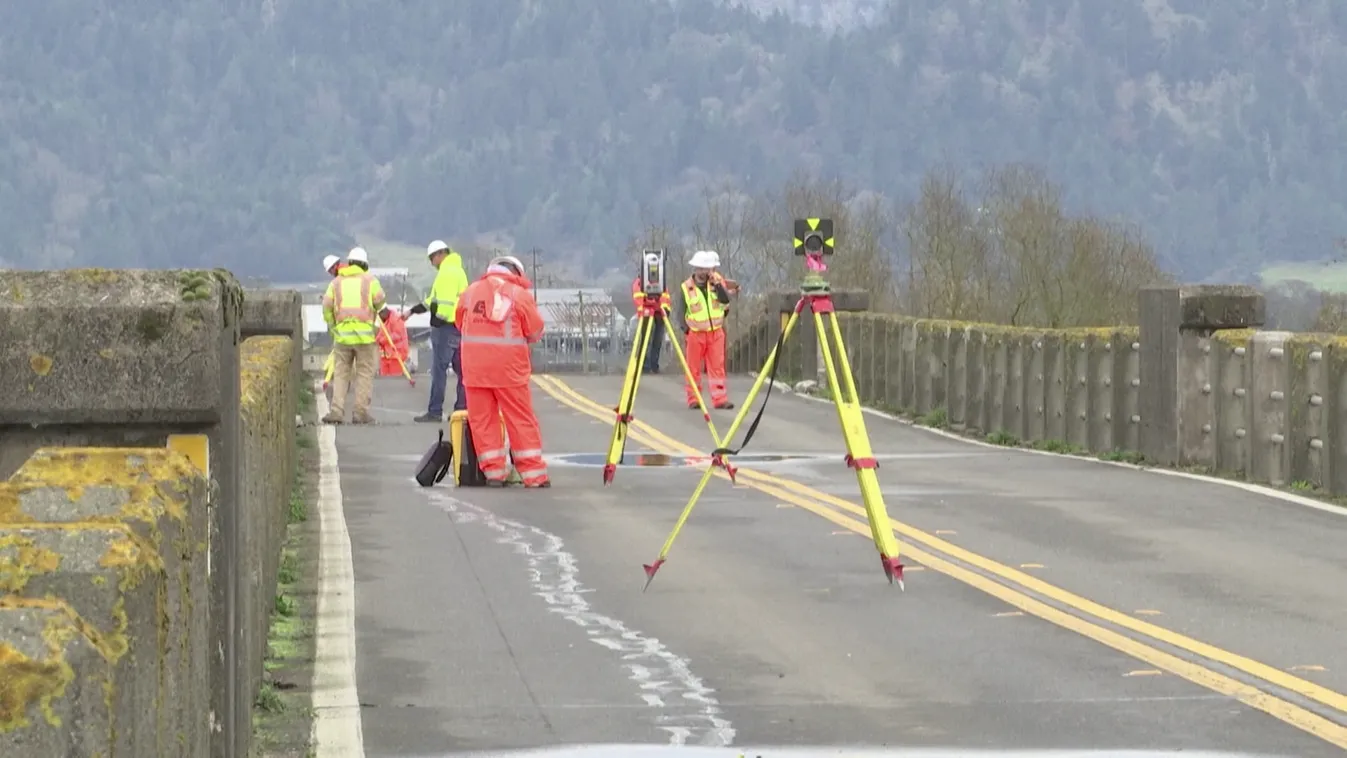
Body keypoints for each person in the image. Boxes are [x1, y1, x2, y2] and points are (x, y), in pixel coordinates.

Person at [454, 255, 551, 488]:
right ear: (516, 273)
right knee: (520, 419)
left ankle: (494, 473)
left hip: (475, 369)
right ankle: (534, 475)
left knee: (483, 421)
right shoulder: (519, 295)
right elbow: (535, 331)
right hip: (509, 370)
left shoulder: (470, 293)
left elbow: (459, 323)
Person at [321, 246, 390, 424]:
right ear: (365, 264)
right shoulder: (370, 281)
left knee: (341, 373)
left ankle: (336, 411)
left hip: (342, 337)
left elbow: (326, 306)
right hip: (365, 338)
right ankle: (360, 412)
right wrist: (378, 322)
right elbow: (382, 306)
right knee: (364, 374)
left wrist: (333, 326)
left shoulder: (336, 283)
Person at [408, 240, 470, 422]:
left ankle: (435, 411)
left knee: (439, 371)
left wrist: (435, 321)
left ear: (439, 255)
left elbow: (442, 306)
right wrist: (412, 311)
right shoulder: (458, 270)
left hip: (444, 328)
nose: (431, 263)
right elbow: (432, 300)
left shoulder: (446, 273)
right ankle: (462, 409)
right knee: (463, 372)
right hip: (459, 327)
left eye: (431, 259)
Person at [675, 250, 739, 410]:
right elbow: (681, 311)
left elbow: (725, 299)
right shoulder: (686, 287)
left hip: (716, 332)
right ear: (696, 269)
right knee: (693, 368)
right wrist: (686, 330)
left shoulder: (717, 282)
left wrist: (717, 285)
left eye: (708, 269)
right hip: (695, 333)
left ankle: (720, 398)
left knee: (717, 367)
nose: (706, 272)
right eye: (703, 269)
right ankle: (694, 398)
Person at [630, 254, 672, 373]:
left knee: (657, 340)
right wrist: (643, 309)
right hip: (646, 312)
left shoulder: (661, 281)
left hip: (659, 312)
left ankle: (654, 365)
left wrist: (665, 308)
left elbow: (665, 296)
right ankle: (644, 365)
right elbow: (638, 298)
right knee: (645, 339)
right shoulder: (639, 282)